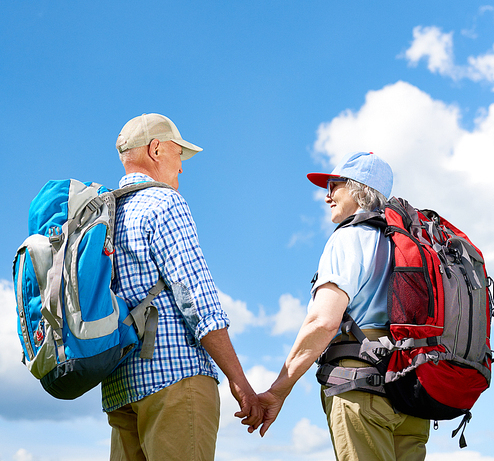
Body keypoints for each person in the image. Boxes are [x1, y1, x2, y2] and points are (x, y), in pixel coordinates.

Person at [102, 113, 262, 461]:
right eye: (178, 154)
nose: (182, 167)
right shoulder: (164, 203)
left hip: (120, 387)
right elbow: (196, 298)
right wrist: (239, 381)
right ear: (156, 149)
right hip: (175, 380)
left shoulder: (106, 215)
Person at [256, 151, 430, 461]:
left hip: (362, 388)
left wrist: (279, 389)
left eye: (335, 185)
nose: (327, 196)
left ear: (357, 188)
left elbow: (323, 322)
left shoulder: (349, 238)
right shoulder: (412, 246)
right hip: (412, 392)